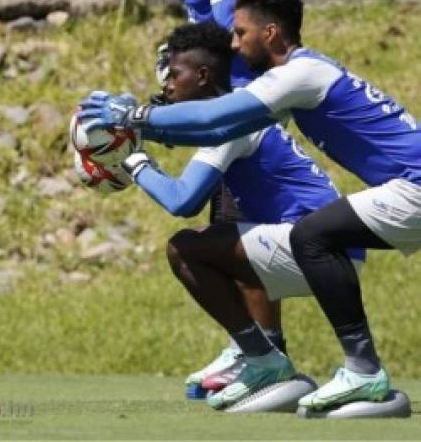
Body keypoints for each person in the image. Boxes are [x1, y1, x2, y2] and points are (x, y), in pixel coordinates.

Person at [79, 0, 421, 410]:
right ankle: (321, 364)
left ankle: (354, 369)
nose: (235, 45)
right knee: (299, 234)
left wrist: (134, 121)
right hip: (408, 186)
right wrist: (144, 129)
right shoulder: (298, 80)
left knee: (311, 235)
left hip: (415, 184)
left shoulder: (298, 74)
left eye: (241, 33)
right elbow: (219, 127)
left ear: (271, 32)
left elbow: (216, 116)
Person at [117, 21, 363, 410]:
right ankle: (260, 352)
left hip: (321, 250)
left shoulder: (231, 125)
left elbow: (182, 200)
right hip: (326, 247)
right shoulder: (237, 115)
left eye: (174, 74)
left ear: (202, 76)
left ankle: (262, 358)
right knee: (226, 238)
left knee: (185, 248)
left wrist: (133, 161)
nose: (166, 84)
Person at [146, 0, 286, 395]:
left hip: (237, 109)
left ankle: (266, 353)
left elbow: (236, 33)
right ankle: (255, 349)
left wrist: (207, 106)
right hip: (221, 105)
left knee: (237, 232)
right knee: (229, 227)